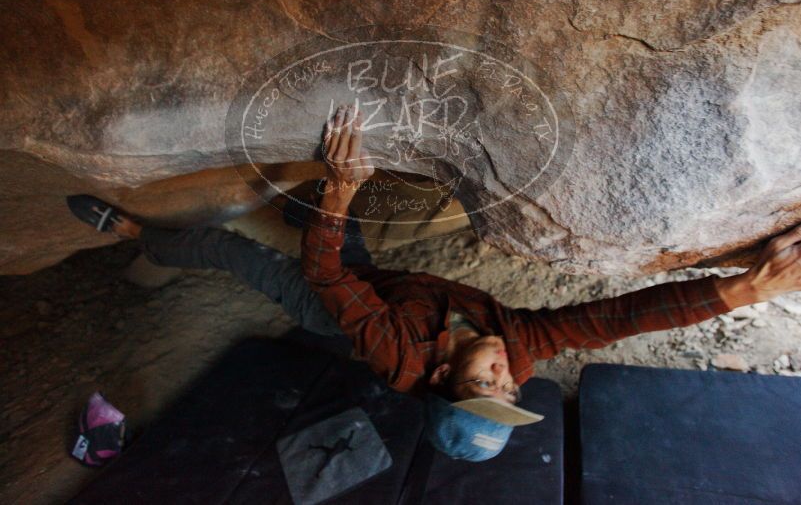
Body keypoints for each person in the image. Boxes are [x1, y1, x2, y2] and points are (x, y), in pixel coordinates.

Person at [68, 103, 801, 462]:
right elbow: (611, 321)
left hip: (337, 308)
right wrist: (739, 293)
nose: (508, 377)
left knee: (233, 251)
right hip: (384, 284)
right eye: (514, 389)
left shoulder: (394, 354)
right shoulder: (511, 349)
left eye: (491, 387)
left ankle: (142, 236)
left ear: (447, 380)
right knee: (324, 208)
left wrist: (340, 190)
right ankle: (303, 196)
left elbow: (325, 274)